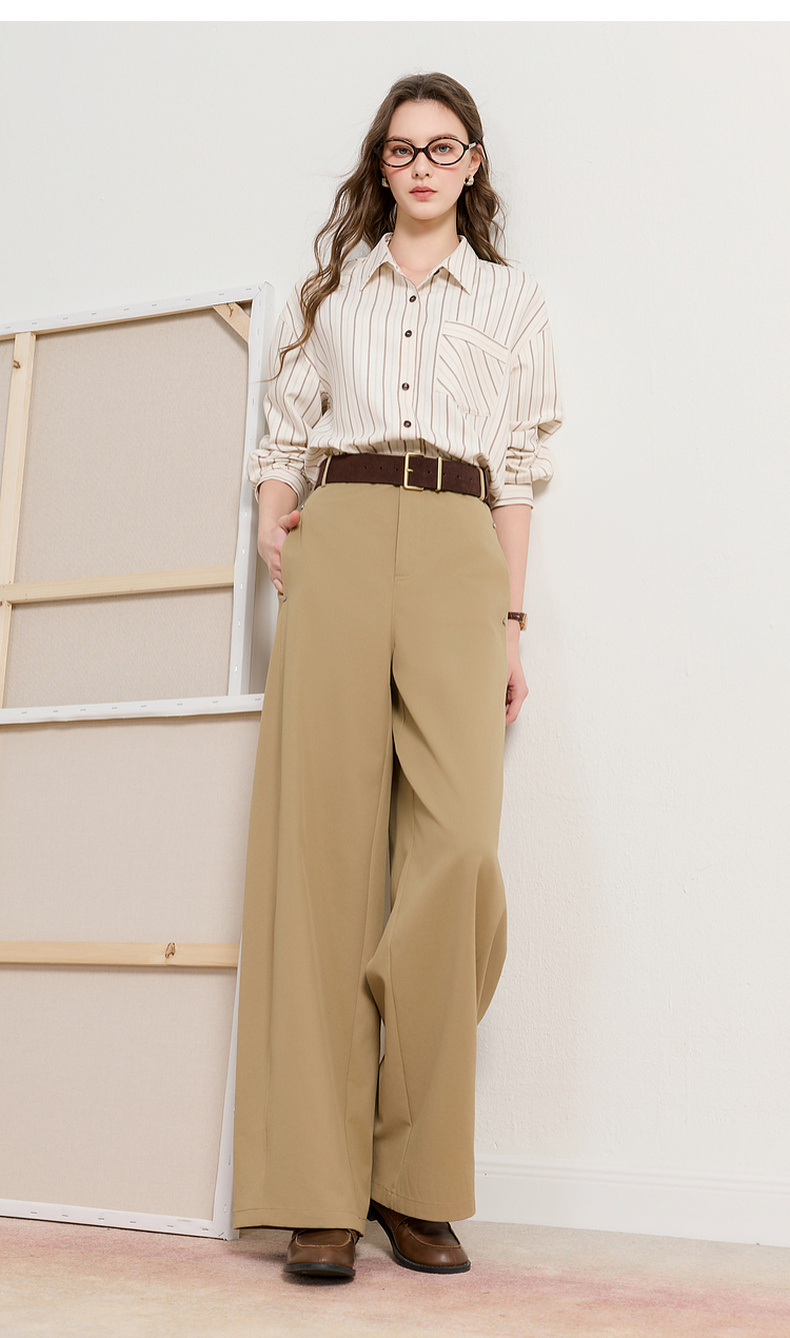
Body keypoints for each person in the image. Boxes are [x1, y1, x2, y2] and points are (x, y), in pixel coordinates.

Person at [232, 71, 562, 1281]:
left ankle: (411, 1175)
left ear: (472, 165)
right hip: (343, 530)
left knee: (458, 850)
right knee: (318, 860)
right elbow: (284, 428)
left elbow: (518, 467)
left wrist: (511, 622)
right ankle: (317, 1189)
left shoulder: (511, 299)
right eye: (402, 149)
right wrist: (276, 518)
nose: (422, 166)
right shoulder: (331, 293)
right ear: (382, 164)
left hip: (459, 548)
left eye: (444, 147)